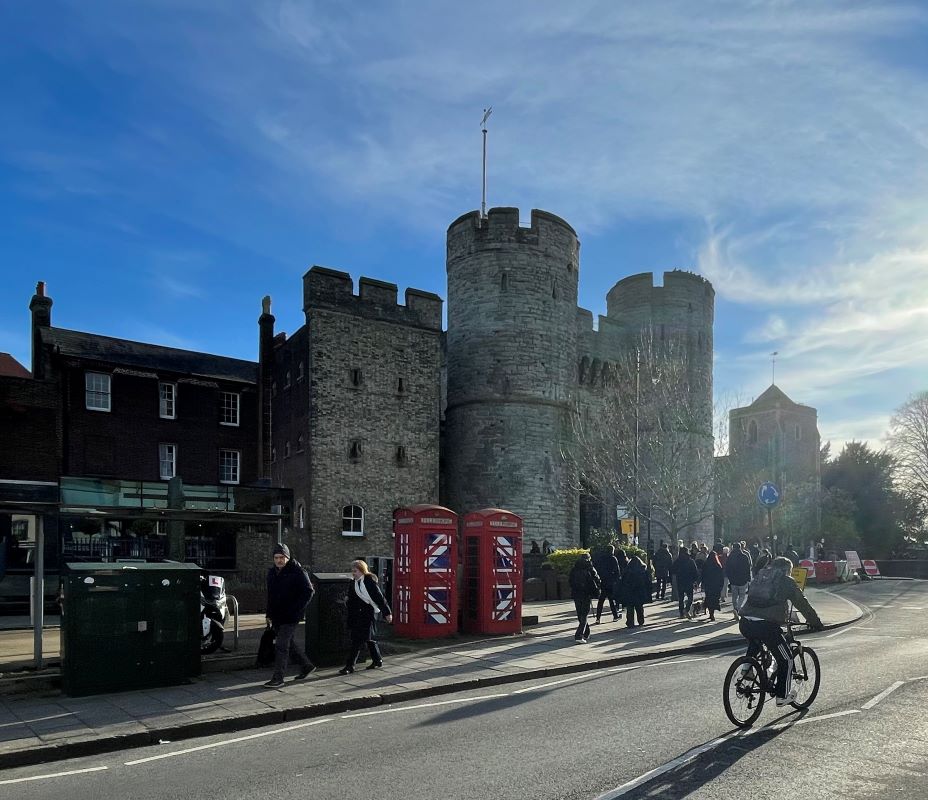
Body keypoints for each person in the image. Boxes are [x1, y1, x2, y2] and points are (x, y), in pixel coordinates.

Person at [738, 557, 824, 706]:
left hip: (745, 622)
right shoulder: (786, 581)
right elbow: (802, 603)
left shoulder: (760, 576)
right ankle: (782, 696)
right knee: (787, 659)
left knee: (756, 639)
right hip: (766, 626)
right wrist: (816, 622)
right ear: (787, 570)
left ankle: (747, 668)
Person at [264, 543, 315, 688]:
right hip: (277, 615)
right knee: (288, 643)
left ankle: (278, 678)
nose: (279, 560)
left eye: (282, 557)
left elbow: (309, 591)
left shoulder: (298, 571)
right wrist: (268, 613)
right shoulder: (272, 573)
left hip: (291, 616)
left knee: (281, 645)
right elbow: (271, 595)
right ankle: (306, 665)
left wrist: (296, 609)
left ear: (287, 557)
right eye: (276, 557)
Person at [339, 559, 393, 675]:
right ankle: (377, 660)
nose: (353, 573)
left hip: (368, 614)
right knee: (368, 639)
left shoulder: (369, 581)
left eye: (355, 571)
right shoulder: (353, 583)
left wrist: (387, 613)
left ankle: (350, 666)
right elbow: (352, 598)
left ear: (362, 571)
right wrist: (347, 600)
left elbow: (379, 598)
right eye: (353, 571)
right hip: (356, 615)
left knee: (357, 640)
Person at [568, 553, 601, 643]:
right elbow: (597, 579)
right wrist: (596, 590)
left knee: (580, 614)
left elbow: (570, 581)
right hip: (586, 593)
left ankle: (586, 633)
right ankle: (579, 635)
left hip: (576, 593)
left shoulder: (575, 568)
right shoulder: (590, 567)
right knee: (584, 614)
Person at [617, 554, 651, 627]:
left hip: (630, 591)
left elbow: (623, 581)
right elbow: (647, 582)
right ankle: (641, 621)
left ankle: (630, 622)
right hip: (640, 591)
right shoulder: (643, 570)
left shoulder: (627, 570)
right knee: (639, 607)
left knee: (630, 607)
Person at [592, 545, 621, 623]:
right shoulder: (613, 558)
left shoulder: (601, 558)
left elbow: (596, 568)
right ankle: (615, 616)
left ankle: (598, 618)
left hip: (602, 581)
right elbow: (617, 571)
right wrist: (616, 580)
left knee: (601, 600)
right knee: (611, 600)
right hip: (610, 581)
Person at [725, 540, 753, 619]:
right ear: (740, 548)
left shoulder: (730, 557)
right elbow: (747, 568)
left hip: (733, 580)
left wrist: (729, 577)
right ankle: (737, 608)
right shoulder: (744, 556)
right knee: (742, 596)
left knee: (734, 596)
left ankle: (735, 608)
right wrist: (748, 578)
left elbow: (727, 568)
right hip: (742, 579)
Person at [670, 546, 699, 620]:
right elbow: (695, 572)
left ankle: (681, 614)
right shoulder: (691, 561)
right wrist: (695, 580)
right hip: (689, 582)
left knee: (681, 599)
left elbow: (672, 570)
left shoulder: (677, 561)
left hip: (680, 581)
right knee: (690, 598)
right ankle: (686, 609)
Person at [701, 550, 724, 622]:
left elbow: (703, 575)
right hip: (716, 585)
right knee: (714, 599)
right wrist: (721, 585)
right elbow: (721, 576)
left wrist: (703, 583)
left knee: (709, 598)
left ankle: (710, 612)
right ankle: (712, 613)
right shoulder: (718, 565)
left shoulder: (706, 564)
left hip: (708, 585)